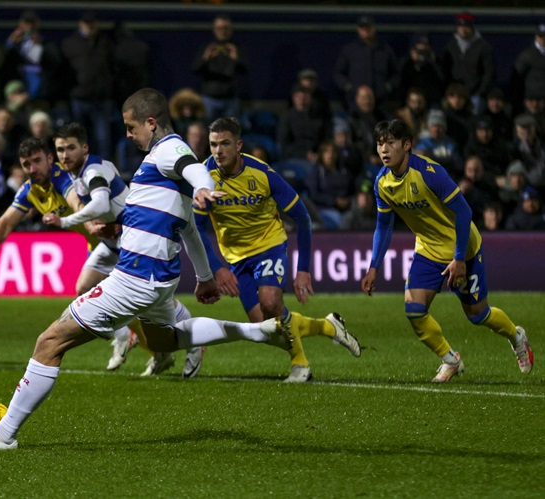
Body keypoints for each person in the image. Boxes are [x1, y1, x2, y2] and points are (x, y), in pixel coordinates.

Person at [0, 88, 294, 450]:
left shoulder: (169, 150)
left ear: (151, 123)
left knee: (49, 342)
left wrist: (205, 186)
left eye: (131, 127)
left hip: (135, 277)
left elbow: (192, 168)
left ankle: (3, 435)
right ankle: (256, 331)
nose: (128, 135)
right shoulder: (164, 166)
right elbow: (189, 228)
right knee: (163, 340)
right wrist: (205, 276)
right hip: (160, 277)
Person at [361, 118, 533, 382]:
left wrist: (459, 258)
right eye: (379, 144)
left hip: (463, 247)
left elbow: (464, 211)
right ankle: (450, 360)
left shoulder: (429, 173)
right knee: (414, 310)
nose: (384, 149)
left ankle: (516, 336)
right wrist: (373, 267)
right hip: (428, 249)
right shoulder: (382, 183)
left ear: (407, 145)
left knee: (478, 315)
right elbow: (383, 226)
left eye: (391, 143)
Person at [195, 117, 360, 383]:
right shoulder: (204, 178)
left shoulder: (262, 174)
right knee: (265, 327)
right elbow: (197, 228)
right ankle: (328, 326)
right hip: (236, 257)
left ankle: (300, 365)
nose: (218, 151)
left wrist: (303, 270)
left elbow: (302, 217)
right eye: (213, 144)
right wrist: (218, 269)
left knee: (271, 302)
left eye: (225, 144)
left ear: (238, 145)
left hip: (268, 245)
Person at [44, 123, 204, 376]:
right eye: (60, 149)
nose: (65, 155)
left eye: (70, 148)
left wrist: (64, 222)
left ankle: (194, 342)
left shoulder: (93, 171)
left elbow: (99, 204)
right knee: (84, 286)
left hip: (133, 242)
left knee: (156, 302)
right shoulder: (78, 173)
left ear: (84, 148)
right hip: (113, 242)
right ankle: (125, 336)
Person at [61, 11, 116, 160]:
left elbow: (114, 69)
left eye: (92, 23)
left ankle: (103, 169)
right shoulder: (70, 43)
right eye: (86, 23)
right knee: (78, 139)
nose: (89, 26)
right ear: (81, 24)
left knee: (103, 140)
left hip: (101, 99)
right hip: (79, 99)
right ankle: (80, 168)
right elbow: (63, 73)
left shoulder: (106, 43)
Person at [333, 15, 398, 111]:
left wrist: (387, 88)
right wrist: (351, 88)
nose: (365, 30)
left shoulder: (385, 50)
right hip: (355, 103)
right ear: (358, 29)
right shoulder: (349, 50)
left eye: (368, 27)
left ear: (374, 28)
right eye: (362, 28)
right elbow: (338, 74)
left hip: (380, 102)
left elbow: (396, 74)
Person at [192, 15, 248, 123]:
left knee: (231, 129)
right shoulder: (207, 47)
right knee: (208, 128)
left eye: (226, 28)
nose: (223, 31)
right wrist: (206, 58)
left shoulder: (236, 48)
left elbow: (245, 70)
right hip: (209, 98)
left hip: (230, 99)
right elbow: (195, 69)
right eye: (219, 28)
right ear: (214, 30)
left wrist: (236, 59)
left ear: (231, 30)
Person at [440, 12, 495, 114]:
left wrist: (480, 92)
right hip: (454, 94)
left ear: (472, 27)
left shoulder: (483, 47)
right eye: (461, 27)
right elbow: (445, 71)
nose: (463, 30)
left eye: (466, 26)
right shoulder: (451, 46)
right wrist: (449, 92)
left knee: (476, 107)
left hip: (474, 94)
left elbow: (489, 73)